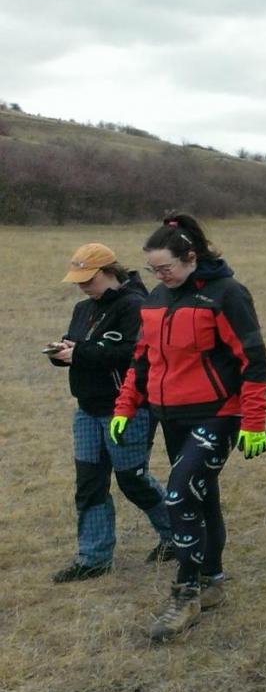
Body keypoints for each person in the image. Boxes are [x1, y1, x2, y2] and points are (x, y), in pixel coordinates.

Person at [110, 214, 266, 641]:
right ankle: (213, 579)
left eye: (165, 267)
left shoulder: (227, 294)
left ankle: (186, 592)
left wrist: (253, 422)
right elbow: (143, 359)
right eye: (153, 270)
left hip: (216, 414)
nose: (159, 276)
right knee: (201, 495)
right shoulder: (155, 300)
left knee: (180, 492)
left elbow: (253, 360)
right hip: (170, 417)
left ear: (191, 257)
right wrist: (126, 406)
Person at [47, 243, 173, 583]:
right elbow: (81, 345)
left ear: (109, 272)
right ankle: (94, 558)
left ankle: (176, 533)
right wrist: (61, 351)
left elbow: (134, 355)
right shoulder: (81, 309)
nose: (83, 285)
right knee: (89, 483)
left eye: (89, 278)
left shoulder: (135, 306)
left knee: (132, 479)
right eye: (78, 279)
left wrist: (82, 353)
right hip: (86, 410)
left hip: (127, 409)